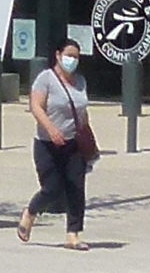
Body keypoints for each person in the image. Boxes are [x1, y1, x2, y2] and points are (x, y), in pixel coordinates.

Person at [19, 35, 97, 245]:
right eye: (69, 55)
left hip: (74, 143)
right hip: (47, 143)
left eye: (76, 57)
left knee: (76, 188)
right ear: (58, 55)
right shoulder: (45, 79)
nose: (72, 60)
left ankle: (73, 233)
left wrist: (87, 137)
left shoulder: (80, 81)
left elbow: (82, 110)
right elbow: (35, 106)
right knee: (52, 188)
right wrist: (51, 129)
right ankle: (30, 212)